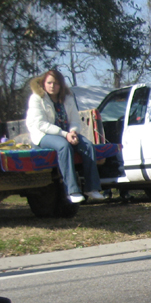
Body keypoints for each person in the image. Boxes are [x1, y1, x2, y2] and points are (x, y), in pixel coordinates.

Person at [25, 69, 106, 203]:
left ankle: (92, 188)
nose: (52, 86)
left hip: (67, 133)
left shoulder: (67, 97)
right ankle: (72, 191)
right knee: (64, 147)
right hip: (44, 134)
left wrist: (73, 131)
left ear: (61, 85)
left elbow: (75, 119)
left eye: (56, 83)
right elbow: (40, 124)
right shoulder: (36, 98)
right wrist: (65, 134)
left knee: (88, 146)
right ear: (43, 83)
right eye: (49, 83)